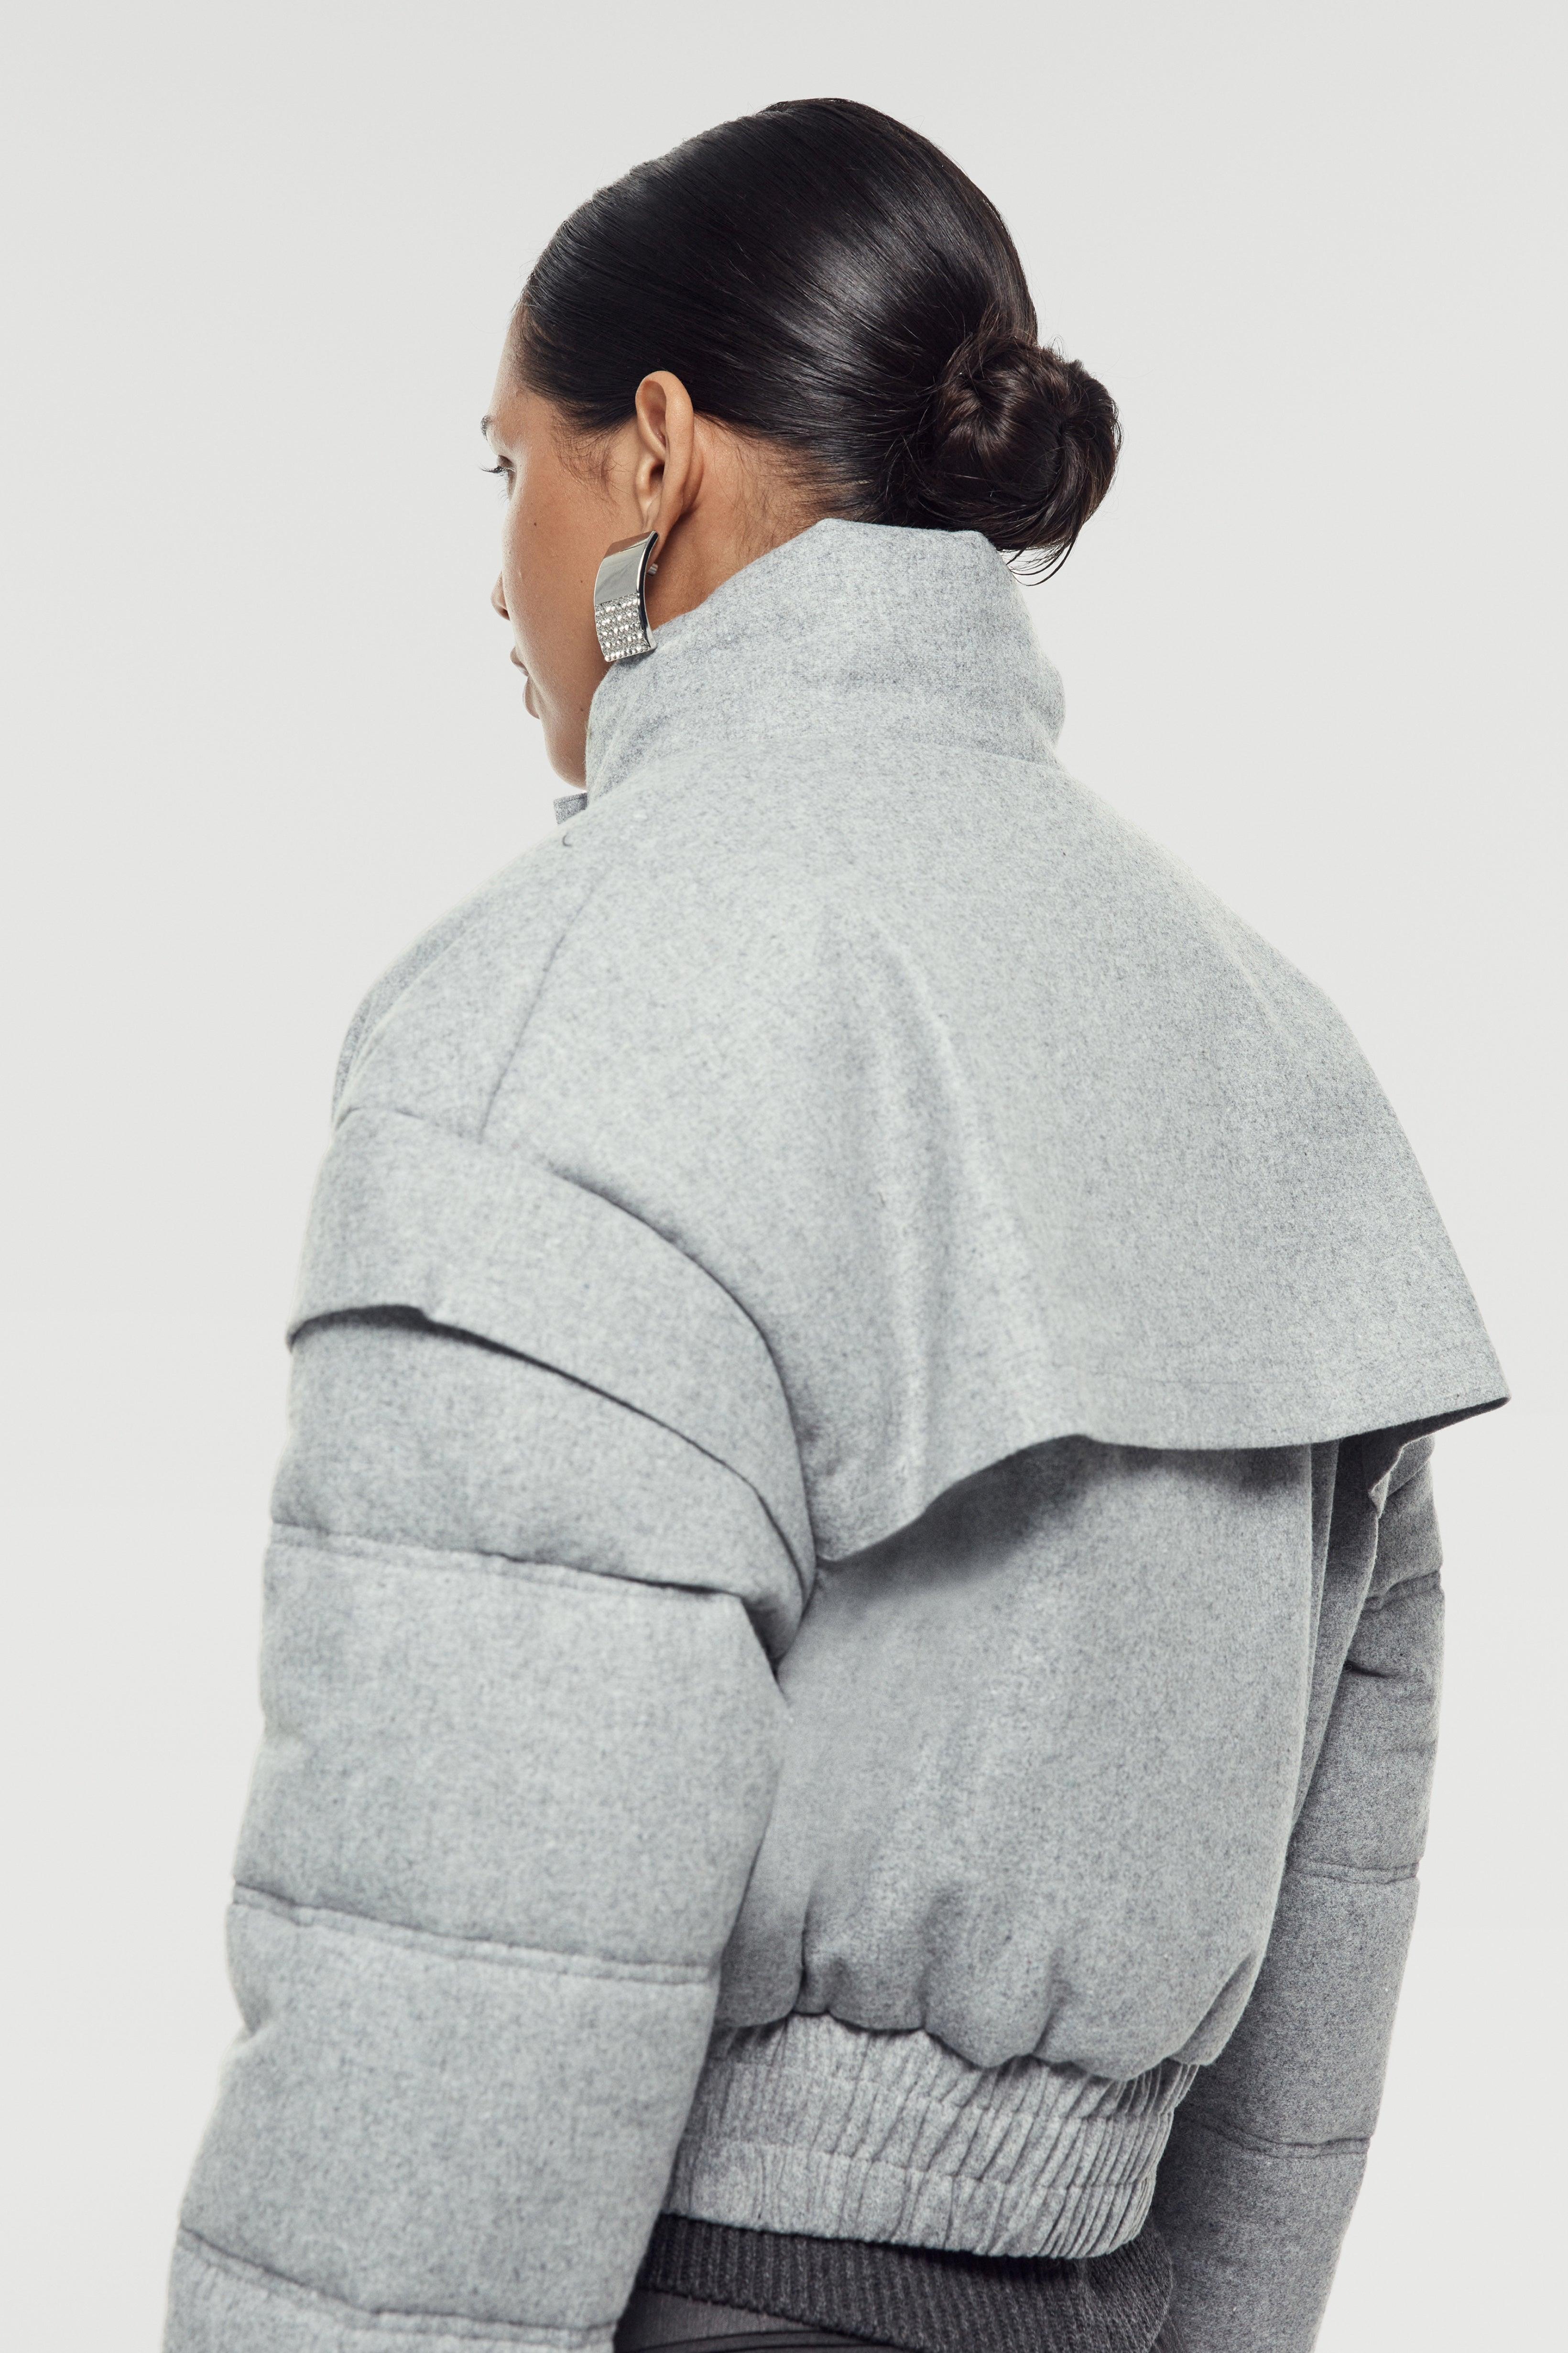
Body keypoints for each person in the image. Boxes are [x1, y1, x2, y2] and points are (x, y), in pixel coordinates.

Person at [161, 98, 1506, 2353]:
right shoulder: (1269, 1036)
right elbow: (1325, 1936)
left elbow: (459, 1983)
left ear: (653, 455)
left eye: (511, 469)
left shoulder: (571, 1008)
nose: (494, 569)